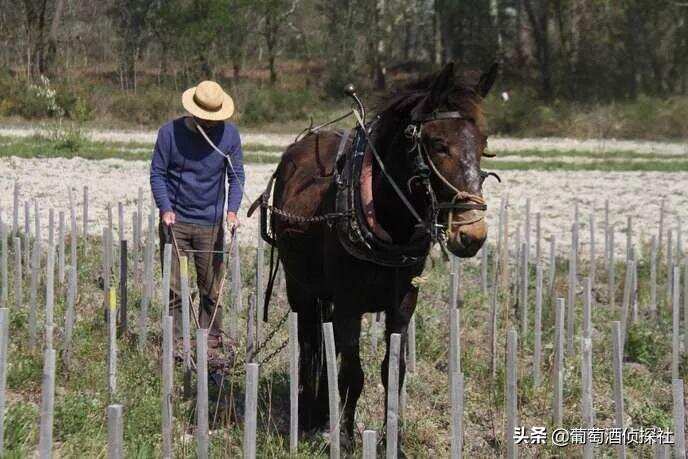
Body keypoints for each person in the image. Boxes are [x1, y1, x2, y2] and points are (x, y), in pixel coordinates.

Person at [150, 80, 245, 362]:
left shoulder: (229, 135)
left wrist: (232, 211)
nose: (211, 123)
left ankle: (211, 342)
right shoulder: (169, 133)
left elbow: (236, 175)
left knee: (211, 288)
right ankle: (178, 343)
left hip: (211, 223)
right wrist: (165, 208)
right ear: (194, 111)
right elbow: (158, 174)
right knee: (175, 288)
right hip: (175, 222)